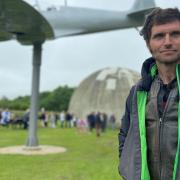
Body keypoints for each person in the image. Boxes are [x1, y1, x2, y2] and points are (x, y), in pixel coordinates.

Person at [118, 8, 180, 180]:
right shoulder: (138, 92)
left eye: (175, 34)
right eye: (159, 36)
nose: (167, 42)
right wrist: (127, 168)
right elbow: (125, 134)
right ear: (148, 44)